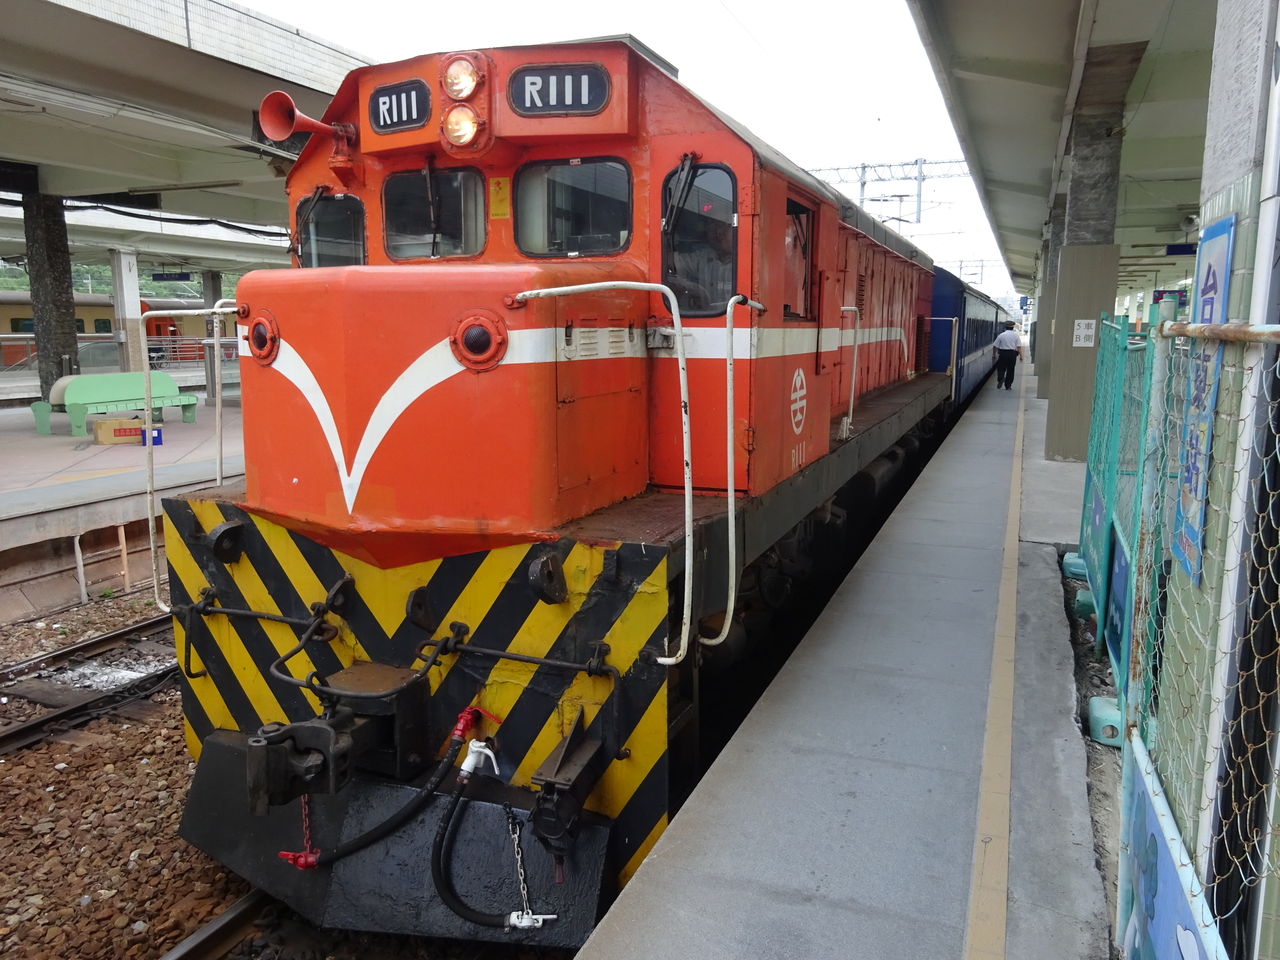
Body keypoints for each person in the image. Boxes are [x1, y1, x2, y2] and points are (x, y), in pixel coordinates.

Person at [992, 320, 1023, 390]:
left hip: (1003, 354)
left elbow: (995, 346)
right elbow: (1018, 347)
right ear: (1013, 327)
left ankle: (1001, 379)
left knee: (1001, 368)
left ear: (1005, 327)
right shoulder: (1016, 335)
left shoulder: (1001, 335)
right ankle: (1008, 385)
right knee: (1011, 370)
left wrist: (994, 355)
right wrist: (1021, 356)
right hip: (1012, 354)